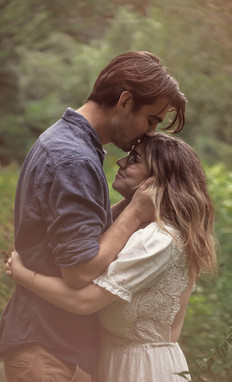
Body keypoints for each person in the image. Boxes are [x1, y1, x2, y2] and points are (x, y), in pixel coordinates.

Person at [0, 51, 187, 382]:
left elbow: (80, 235)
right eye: (152, 119)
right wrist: (134, 214)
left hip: (52, 346)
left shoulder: (67, 144)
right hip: (48, 349)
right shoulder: (73, 159)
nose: (149, 132)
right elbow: (80, 270)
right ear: (125, 101)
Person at [6, 133, 217, 382]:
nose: (120, 163)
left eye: (134, 159)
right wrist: (134, 207)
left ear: (156, 182)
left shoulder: (160, 239)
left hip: (143, 369)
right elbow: (97, 238)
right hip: (114, 360)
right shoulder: (139, 229)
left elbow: (84, 301)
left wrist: (22, 274)